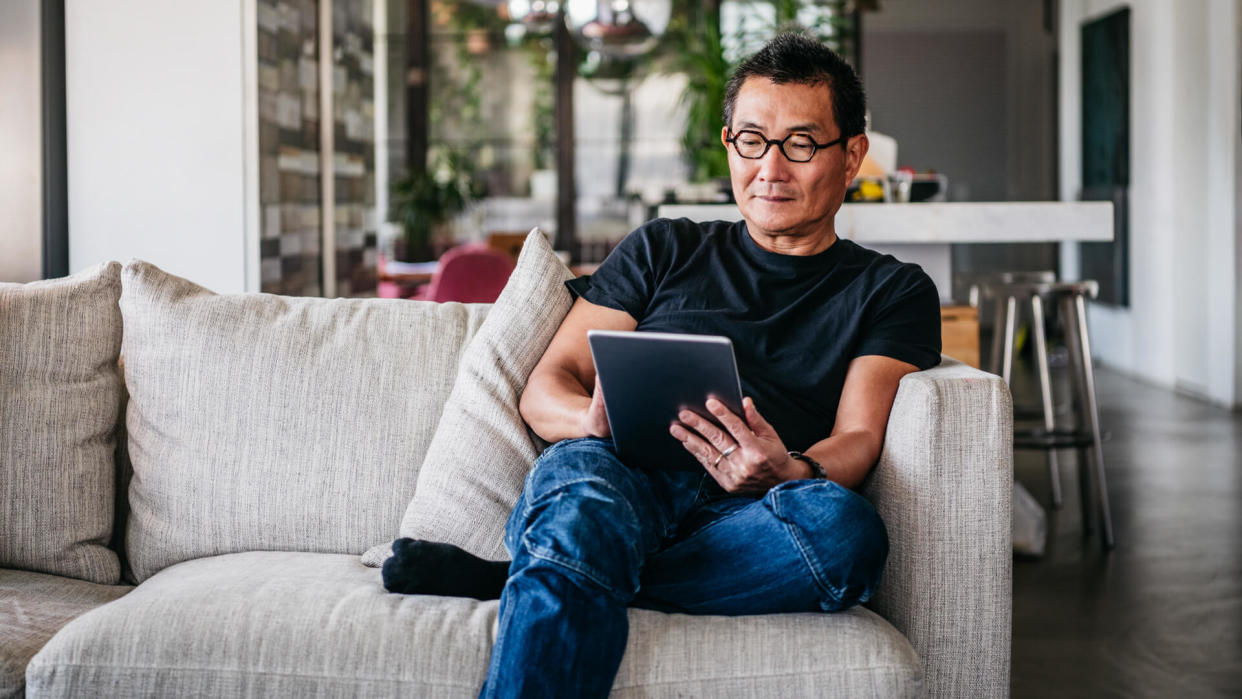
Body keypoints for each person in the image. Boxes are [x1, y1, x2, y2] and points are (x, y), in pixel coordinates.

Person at [383, 32, 942, 697]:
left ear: (852, 156)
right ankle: (573, 550)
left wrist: (788, 468)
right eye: (752, 140)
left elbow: (856, 437)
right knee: (584, 498)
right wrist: (588, 423)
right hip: (617, 476)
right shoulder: (664, 248)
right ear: (729, 142)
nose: (771, 168)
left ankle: (539, 568)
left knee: (846, 533)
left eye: (799, 143)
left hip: (753, 508)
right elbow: (546, 386)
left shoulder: (892, 289)